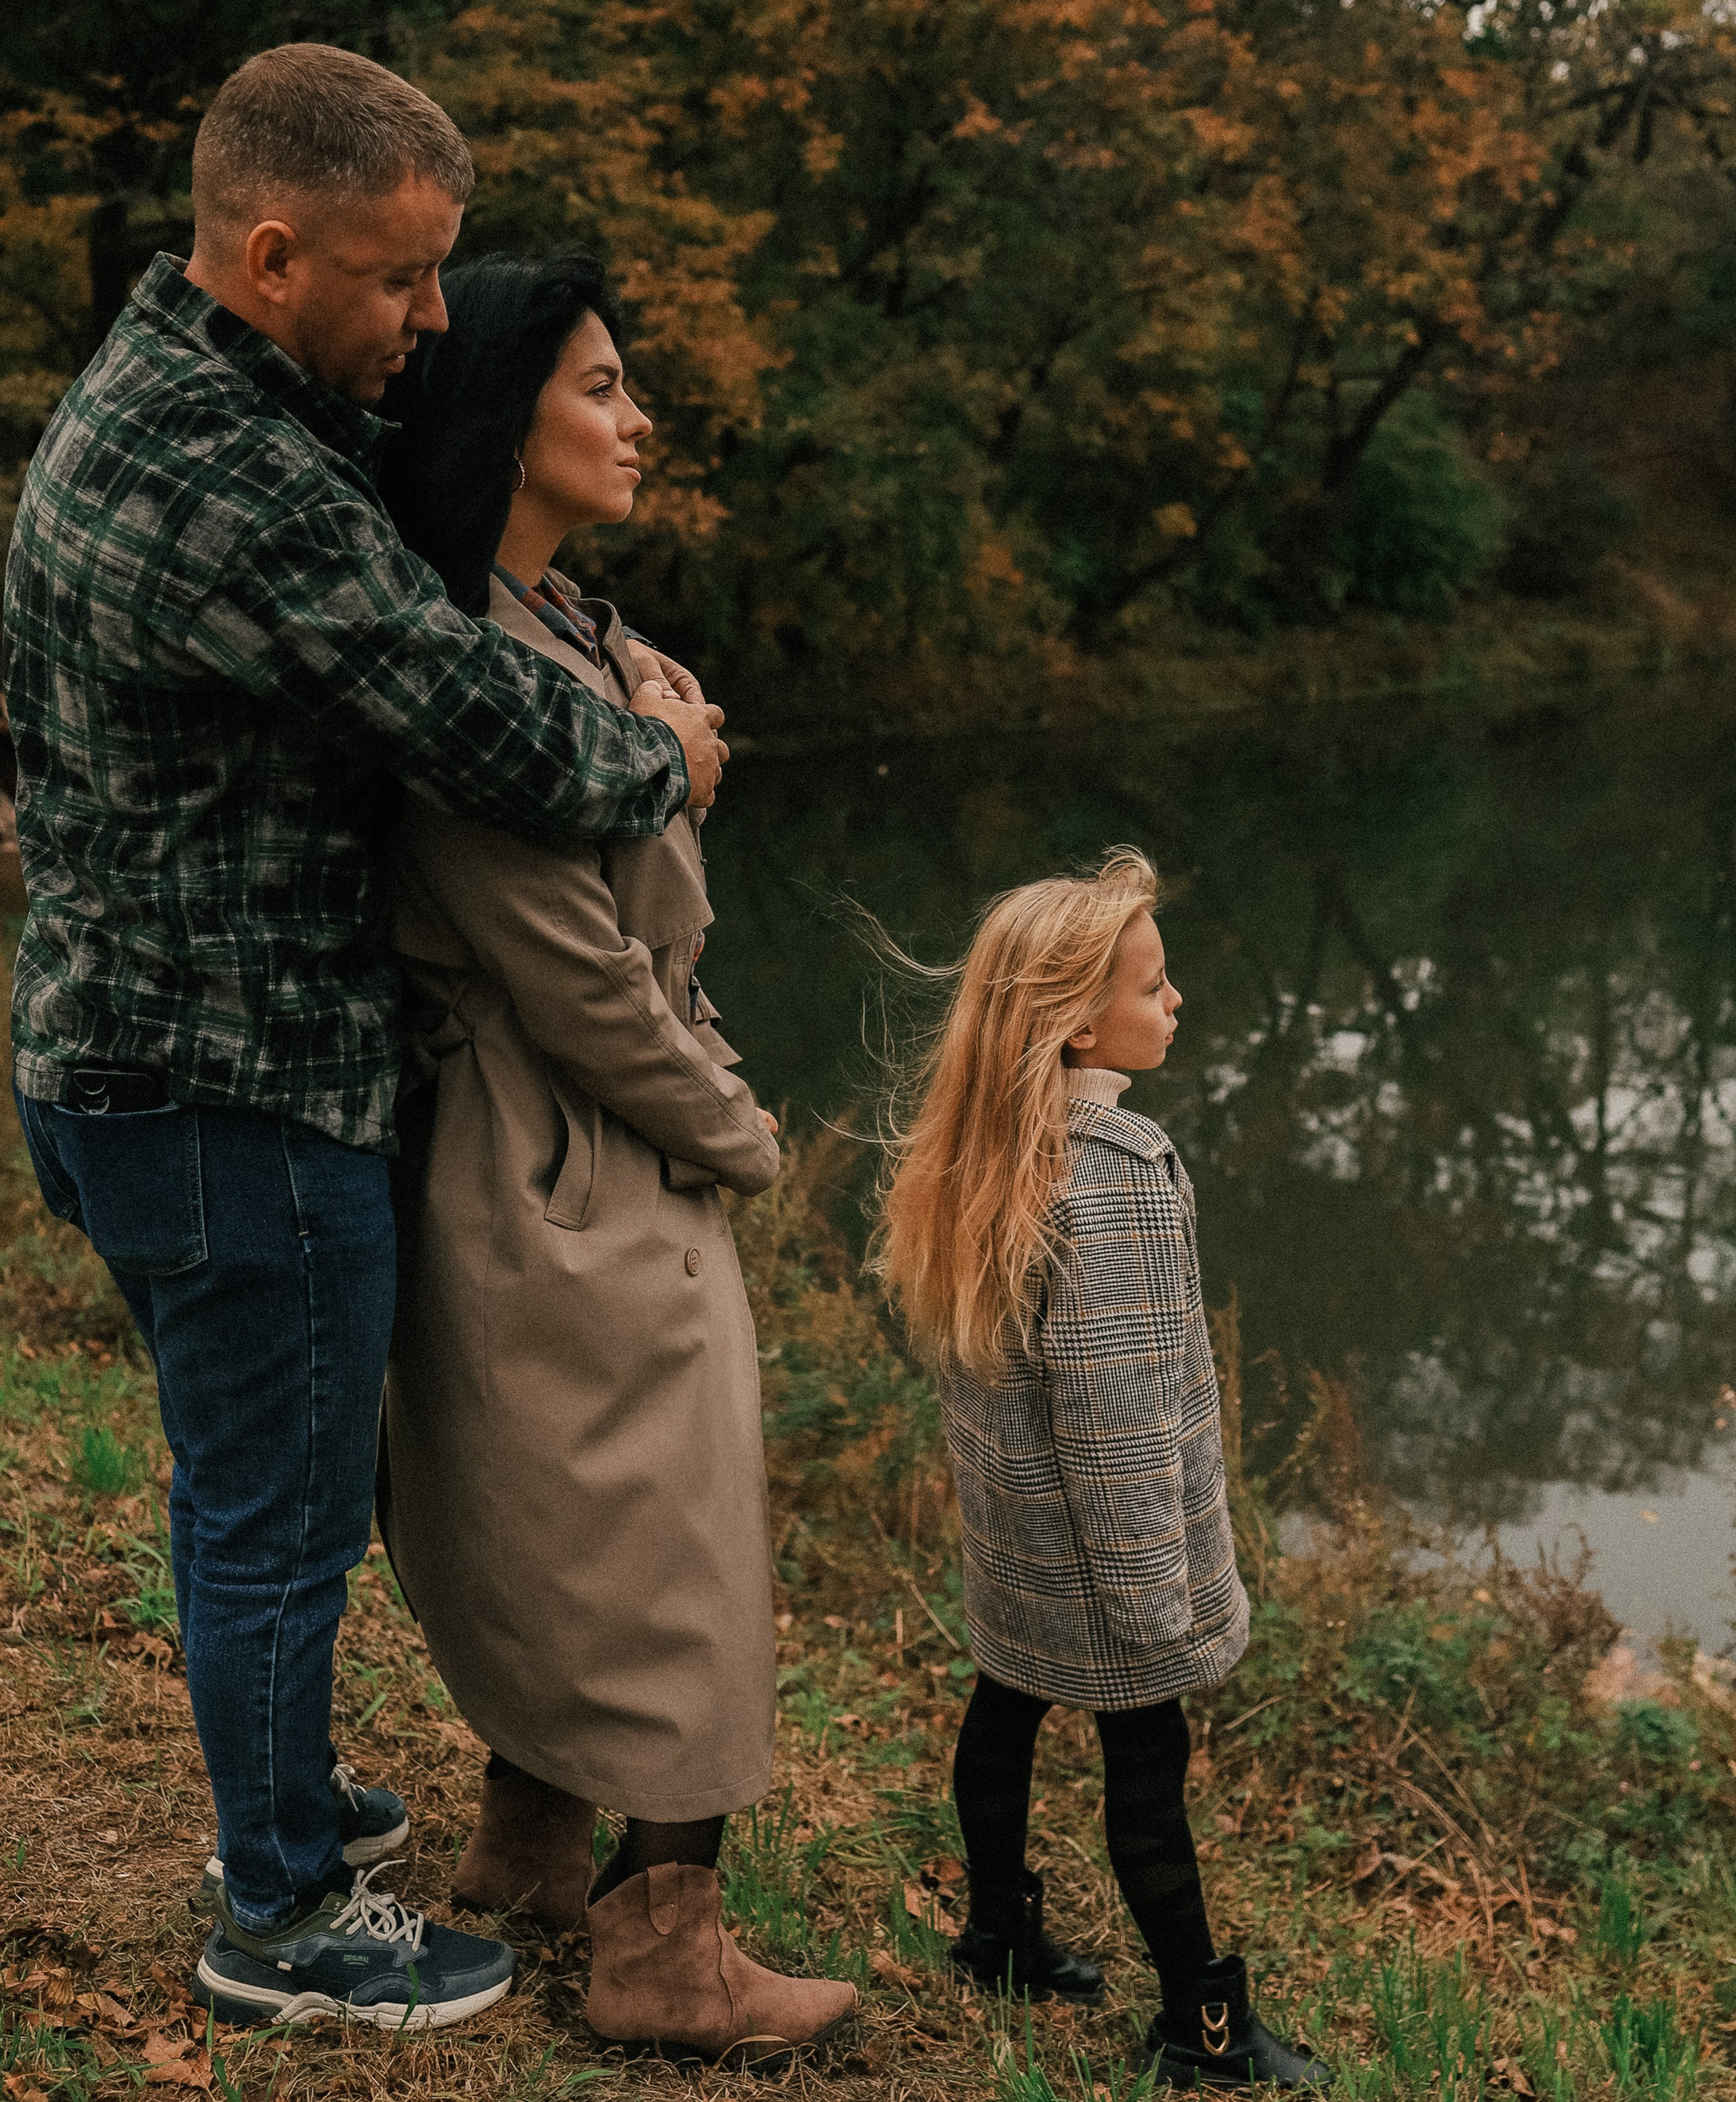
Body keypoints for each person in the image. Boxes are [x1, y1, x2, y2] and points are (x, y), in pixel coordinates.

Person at [2, 43, 726, 2032]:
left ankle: (292, 1795)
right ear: (268, 253)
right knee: (275, 1512)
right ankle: (284, 1914)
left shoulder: (181, 391)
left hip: (121, 1052)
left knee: (246, 1483)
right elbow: (476, 722)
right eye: (402, 279)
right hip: (229, 1087)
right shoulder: (225, 482)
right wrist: (656, 747)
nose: (429, 320)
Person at [372, 250, 857, 2065]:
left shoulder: (569, 627)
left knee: (607, 1506)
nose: (637, 416)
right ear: (508, 415)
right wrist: (732, 1131)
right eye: (597, 385)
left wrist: (658, 716)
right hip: (553, 1141)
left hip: (579, 1126)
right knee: (664, 1541)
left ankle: (530, 1840)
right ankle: (668, 1949)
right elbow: (573, 975)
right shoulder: (472, 674)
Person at [873, 849, 1330, 2090]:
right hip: (1106, 1559)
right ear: (1077, 1025)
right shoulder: (1114, 1181)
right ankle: (1204, 2024)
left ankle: (998, 1935)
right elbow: (1118, 1418)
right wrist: (1153, 1605)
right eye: (1154, 984)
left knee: (1004, 1708)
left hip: (1020, 1546)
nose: (1175, 1001)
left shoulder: (985, 1156)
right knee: (1148, 1777)